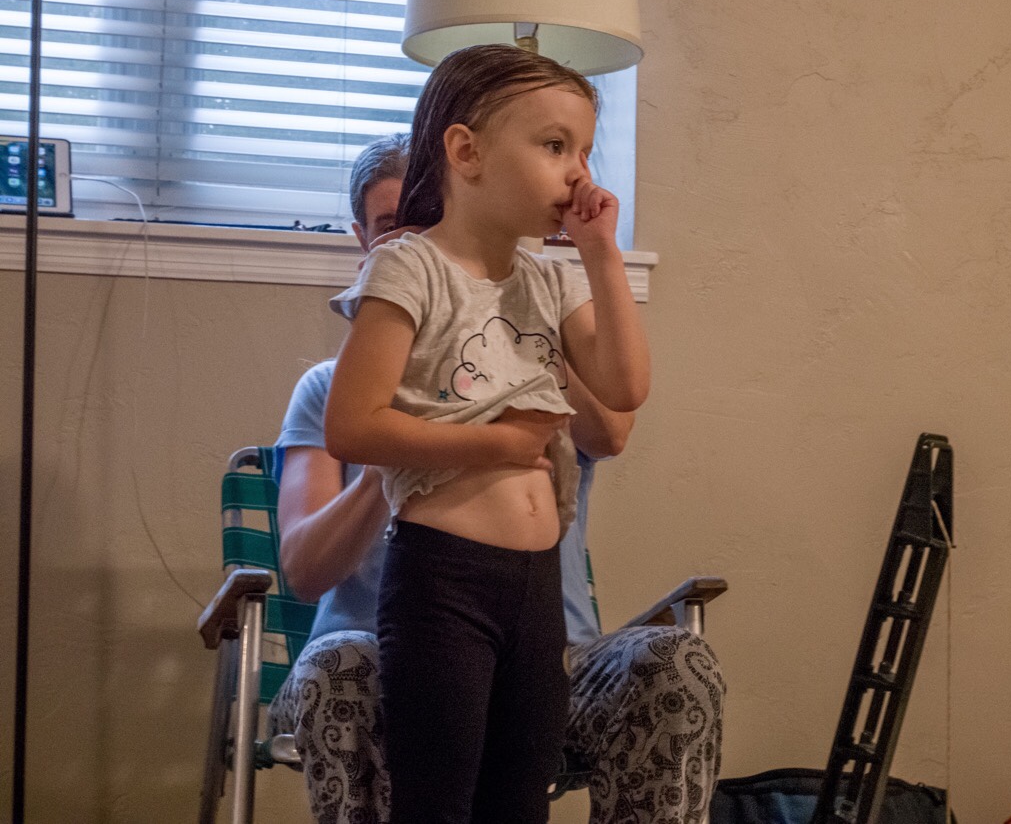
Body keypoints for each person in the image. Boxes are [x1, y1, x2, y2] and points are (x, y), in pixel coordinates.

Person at [267, 124, 725, 823]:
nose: (416, 240)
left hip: (555, 656)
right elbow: (304, 570)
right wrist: (401, 453)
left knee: (675, 666)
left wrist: (507, 329)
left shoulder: (538, 329)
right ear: (362, 240)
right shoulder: (331, 391)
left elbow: (612, 431)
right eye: (392, 227)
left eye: (430, 220)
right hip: (377, 656)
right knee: (340, 671)